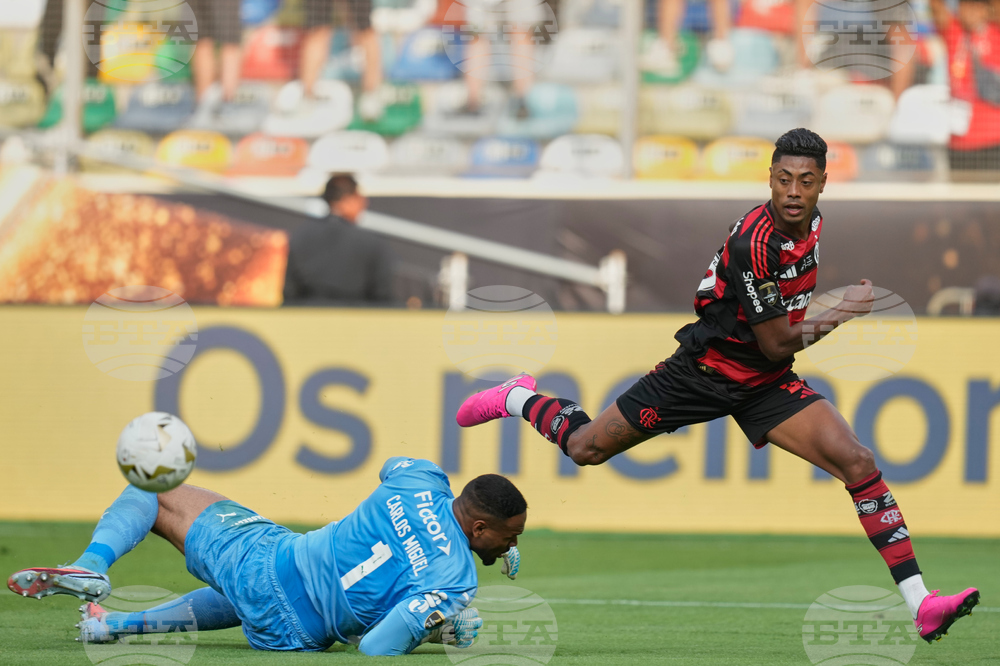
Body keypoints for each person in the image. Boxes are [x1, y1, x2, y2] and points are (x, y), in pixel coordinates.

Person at [456, 128, 980, 644]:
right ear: (769, 179)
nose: (793, 192)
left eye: (805, 181)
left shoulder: (812, 223)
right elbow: (777, 342)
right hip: (701, 374)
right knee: (584, 447)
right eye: (783, 180)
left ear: (822, 184)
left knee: (858, 462)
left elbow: (772, 354)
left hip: (764, 383)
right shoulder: (755, 242)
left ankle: (921, 604)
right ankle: (517, 396)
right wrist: (840, 311)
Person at [7, 457, 525, 655]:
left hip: (270, 565)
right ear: (479, 529)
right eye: (509, 537)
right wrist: (429, 627)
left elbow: (394, 466)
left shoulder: (422, 479)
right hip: (294, 636)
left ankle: (92, 564)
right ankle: (110, 627)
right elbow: (377, 647)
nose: (512, 546)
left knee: (156, 489)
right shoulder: (455, 580)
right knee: (238, 590)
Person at [283, 174, 394, 305]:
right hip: (356, 319)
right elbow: (382, 295)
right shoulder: (371, 242)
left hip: (309, 317)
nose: (364, 203)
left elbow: (290, 290)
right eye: (359, 198)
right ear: (349, 199)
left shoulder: (300, 236)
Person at [930, 0, 1000, 171]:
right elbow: (935, 6)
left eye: (976, 5)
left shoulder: (995, 32)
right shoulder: (954, 30)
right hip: (959, 141)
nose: (969, 10)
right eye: (965, 4)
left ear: (986, 9)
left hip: (993, 139)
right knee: (959, 195)